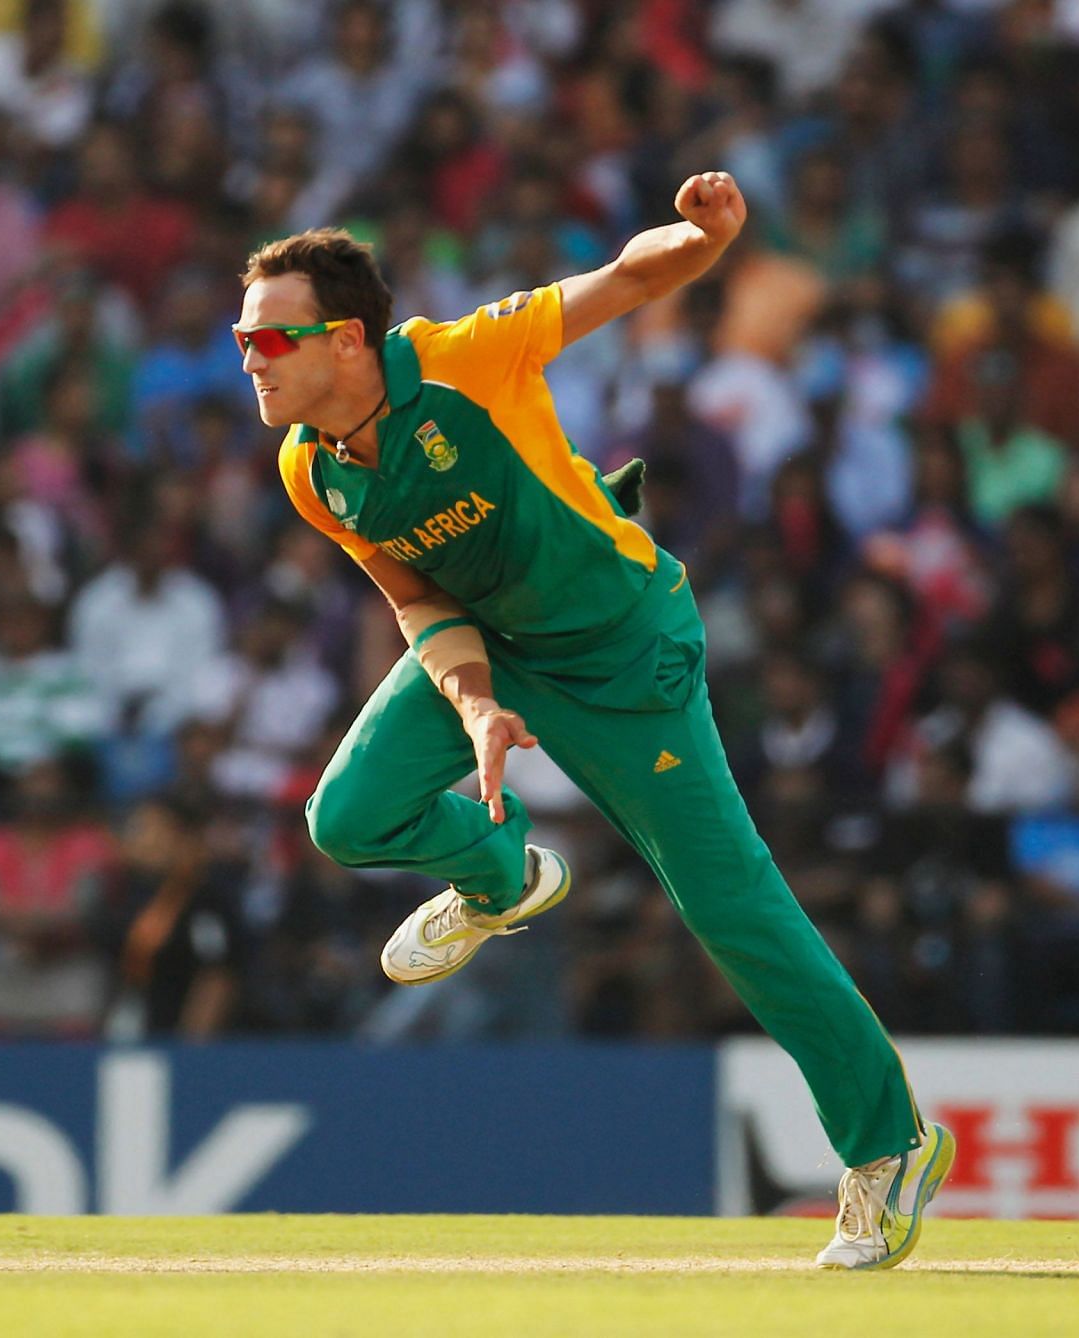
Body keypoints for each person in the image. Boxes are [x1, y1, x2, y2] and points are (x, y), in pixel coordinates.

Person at [239, 173, 951, 1270]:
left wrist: (704, 238)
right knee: (348, 816)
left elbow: (622, 280)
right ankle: (501, 878)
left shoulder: (458, 360)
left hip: (623, 652)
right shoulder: (308, 471)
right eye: (241, 335)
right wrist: (477, 710)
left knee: (729, 905)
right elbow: (416, 597)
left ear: (346, 341)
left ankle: (890, 1144)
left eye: (270, 338)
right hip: (495, 644)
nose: (248, 356)